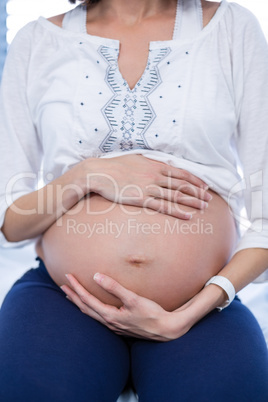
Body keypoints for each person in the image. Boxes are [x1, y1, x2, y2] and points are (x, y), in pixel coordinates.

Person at [0, 0, 268, 400]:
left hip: (202, 305)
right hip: (64, 296)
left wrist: (191, 312)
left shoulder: (231, 28)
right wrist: (88, 175)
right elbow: (11, 220)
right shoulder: (37, 41)